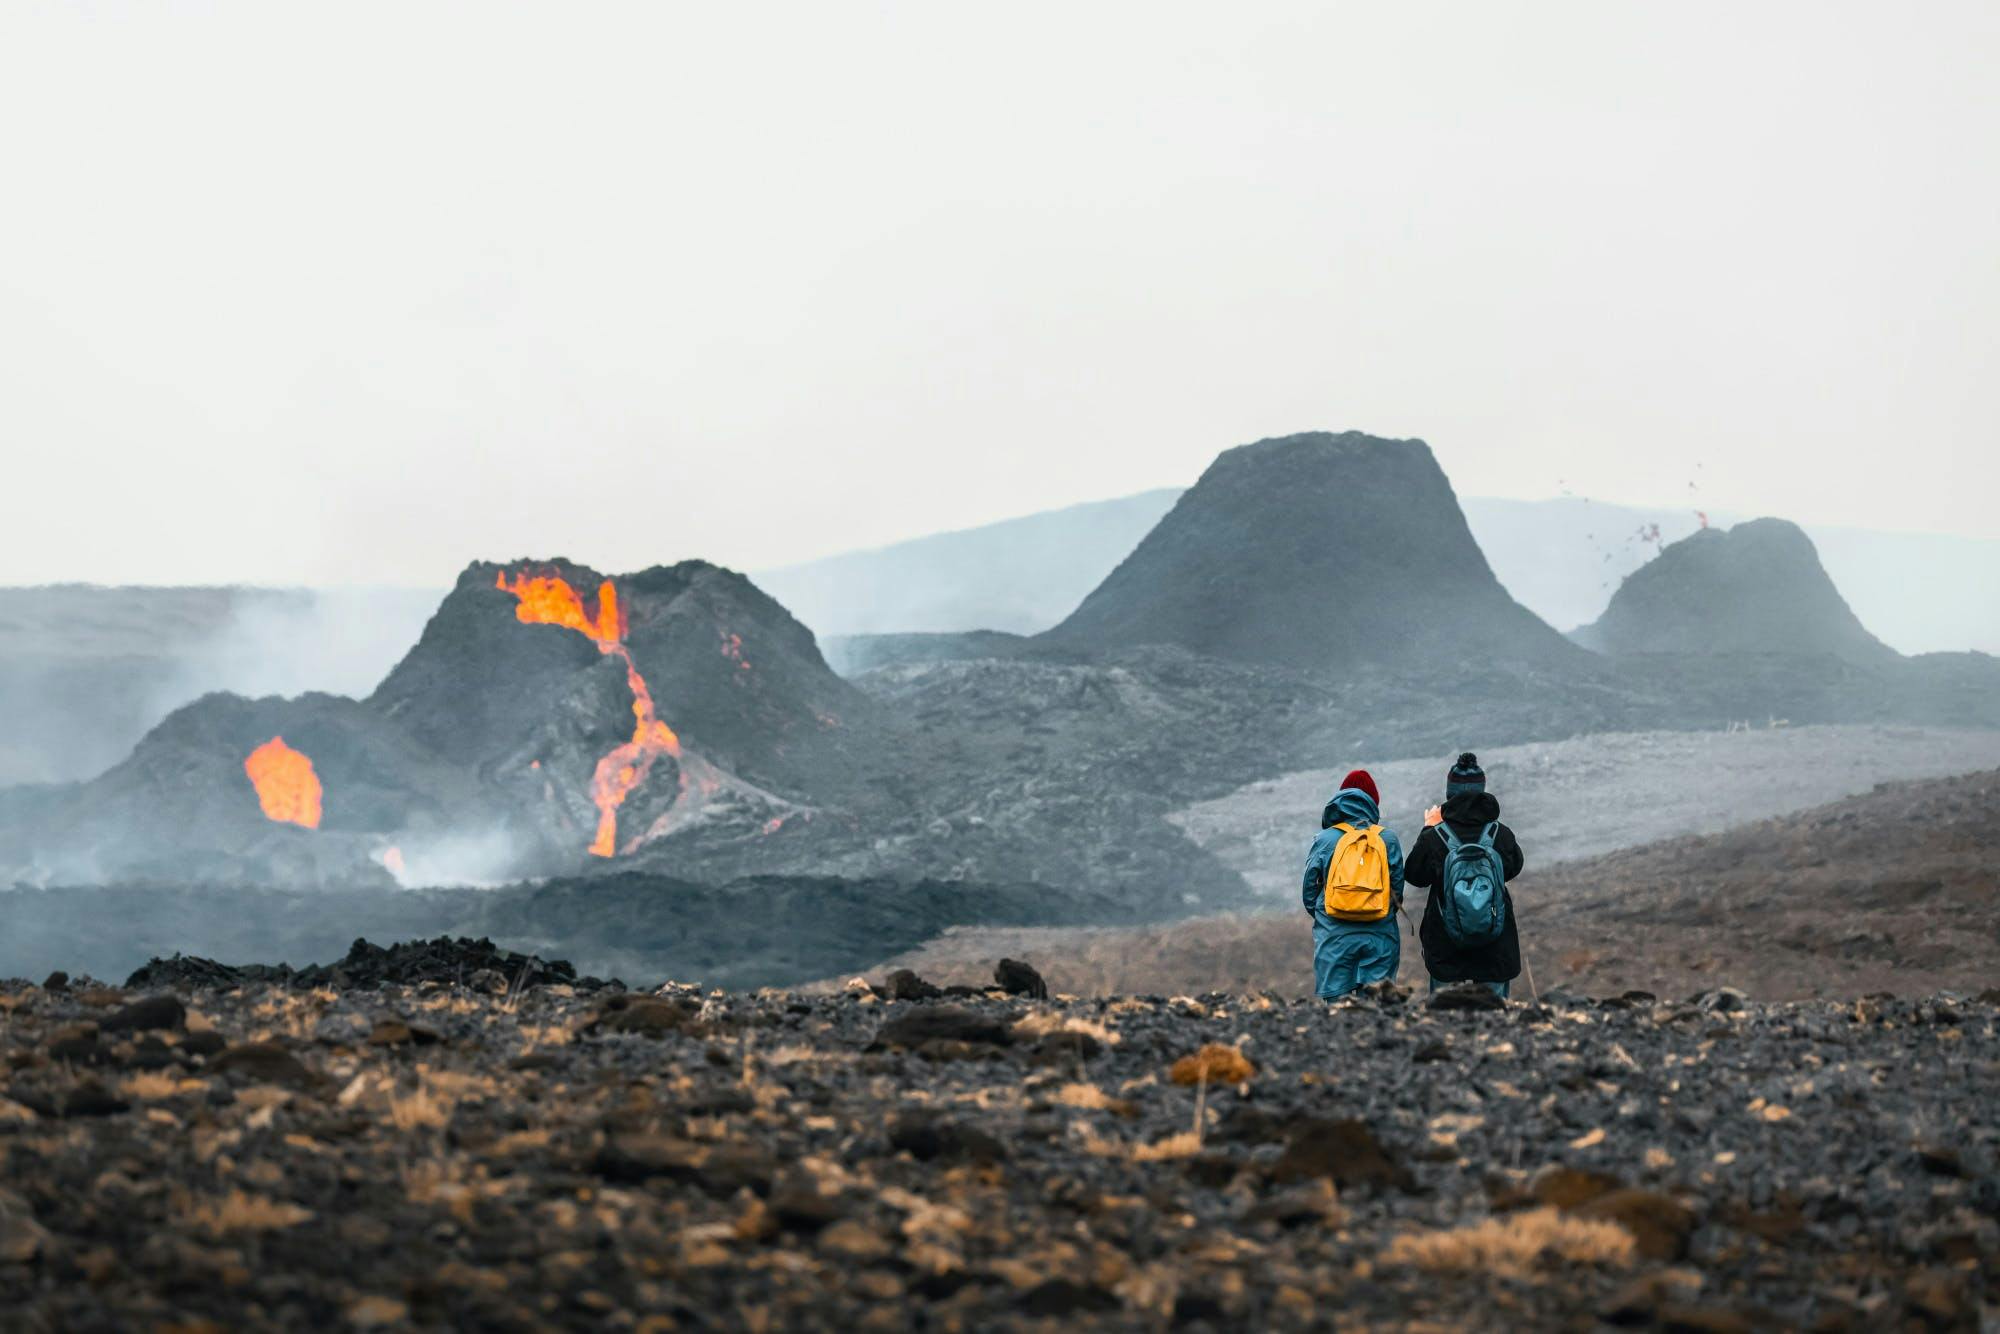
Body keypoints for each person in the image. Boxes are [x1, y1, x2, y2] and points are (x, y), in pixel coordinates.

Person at [1405, 752, 1525, 998]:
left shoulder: (1435, 837)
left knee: (1445, 1018)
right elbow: (1514, 867)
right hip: (1495, 945)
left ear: (1450, 793)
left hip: (1447, 948)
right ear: (1482, 790)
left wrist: (1428, 828)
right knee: (1497, 1022)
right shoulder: (1500, 834)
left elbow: (1414, 875)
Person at [1302, 768, 1405, 999]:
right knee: (1378, 1008)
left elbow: (1309, 891)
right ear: (1373, 803)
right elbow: (1396, 891)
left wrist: (1326, 913)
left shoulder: (1325, 839)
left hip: (1334, 937)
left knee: (1337, 1010)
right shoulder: (1387, 839)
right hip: (1380, 935)